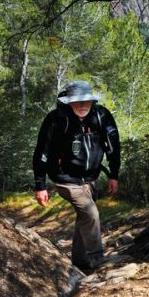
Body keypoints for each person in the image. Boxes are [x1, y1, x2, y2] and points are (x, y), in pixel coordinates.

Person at [32, 80, 120, 271]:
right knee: (91, 213)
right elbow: (42, 152)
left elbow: (113, 146)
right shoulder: (56, 119)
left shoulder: (101, 116)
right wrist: (40, 185)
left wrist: (114, 174)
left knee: (84, 218)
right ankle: (97, 259)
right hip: (65, 179)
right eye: (77, 101)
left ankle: (80, 262)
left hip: (91, 179)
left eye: (86, 101)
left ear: (92, 101)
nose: (82, 106)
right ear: (68, 101)